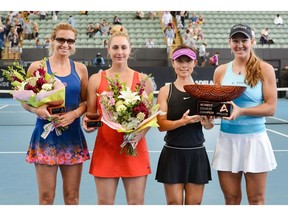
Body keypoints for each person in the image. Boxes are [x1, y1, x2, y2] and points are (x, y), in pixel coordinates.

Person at [82, 25, 154, 205]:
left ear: (130, 50)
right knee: (105, 205)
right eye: (115, 47)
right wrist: (88, 125)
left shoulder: (144, 81)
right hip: (106, 149)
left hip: (135, 150)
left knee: (136, 205)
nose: (119, 52)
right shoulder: (96, 80)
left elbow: (149, 119)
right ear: (108, 50)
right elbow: (92, 117)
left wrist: (139, 134)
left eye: (123, 47)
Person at [22, 23, 90, 205]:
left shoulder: (81, 69)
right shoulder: (37, 67)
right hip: (46, 138)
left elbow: (86, 102)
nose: (65, 44)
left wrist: (74, 114)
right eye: (61, 39)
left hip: (72, 137)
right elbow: (25, 101)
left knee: (72, 198)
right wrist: (37, 110)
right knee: (46, 199)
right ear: (52, 40)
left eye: (70, 41)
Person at [211, 23, 277, 205]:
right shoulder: (220, 71)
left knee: (256, 200)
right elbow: (218, 106)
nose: (240, 45)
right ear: (229, 43)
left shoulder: (265, 69)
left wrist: (242, 111)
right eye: (235, 40)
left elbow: (271, 107)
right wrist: (208, 114)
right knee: (231, 200)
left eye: (244, 40)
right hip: (227, 140)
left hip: (254, 140)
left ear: (252, 42)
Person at [155, 45, 213, 205]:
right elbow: (161, 125)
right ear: (173, 63)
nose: (184, 65)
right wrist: (182, 122)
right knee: (174, 205)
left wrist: (208, 123)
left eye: (188, 60)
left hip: (196, 154)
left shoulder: (203, 91)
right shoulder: (165, 91)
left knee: (194, 206)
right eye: (179, 61)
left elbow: (209, 125)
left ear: (194, 63)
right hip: (173, 154)